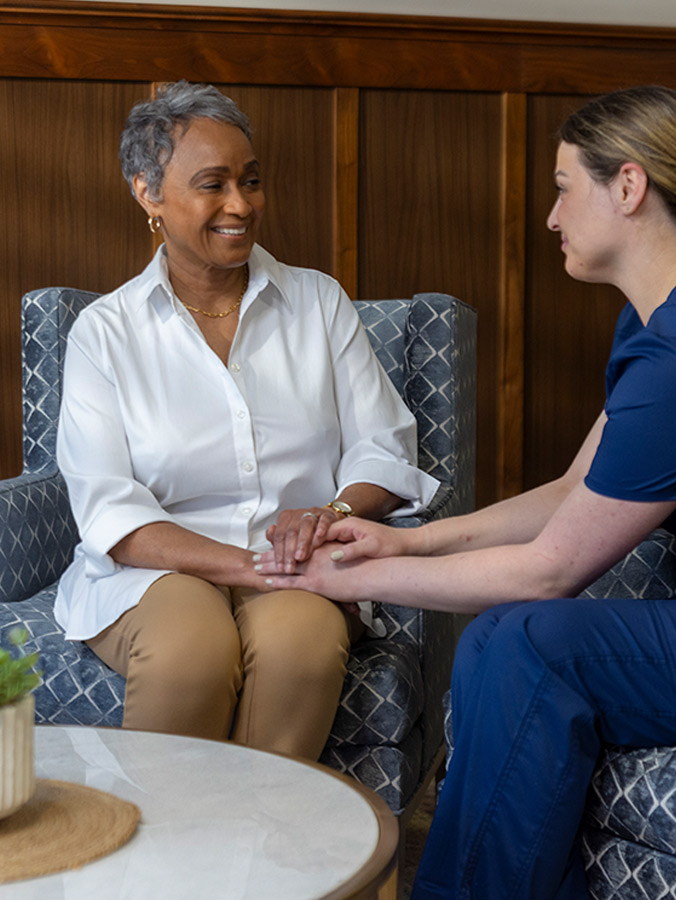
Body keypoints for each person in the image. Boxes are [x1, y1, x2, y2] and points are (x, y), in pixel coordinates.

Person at [256, 85, 676, 896]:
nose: (552, 217)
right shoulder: (665, 318)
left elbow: (550, 570)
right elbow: (573, 491)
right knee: (511, 651)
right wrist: (404, 540)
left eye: (563, 187)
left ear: (628, 187)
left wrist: (346, 575)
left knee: (524, 646)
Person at [54, 80, 438, 762]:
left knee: (302, 644)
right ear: (148, 194)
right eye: (213, 185)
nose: (240, 205)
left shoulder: (318, 303)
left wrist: (330, 512)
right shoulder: (104, 333)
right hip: (156, 576)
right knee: (191, 649)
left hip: (299, 572)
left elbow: (384, 450)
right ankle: (161, 834)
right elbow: (108, 509)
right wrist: (245, 566)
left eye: (250, 181)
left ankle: (266, 833)